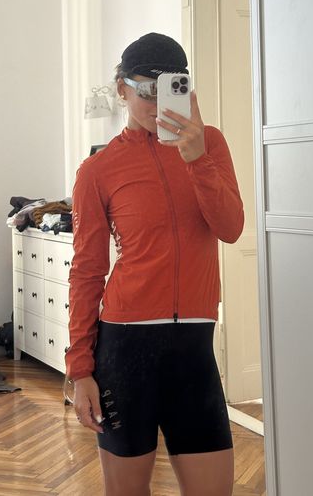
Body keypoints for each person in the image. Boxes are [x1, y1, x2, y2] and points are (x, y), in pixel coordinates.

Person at [66, 32, 244, 496]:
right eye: (145, 90)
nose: (155, 103)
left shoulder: (209, 145)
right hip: (125, 350)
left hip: (193, 351)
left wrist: (196, 159)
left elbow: (230, 228)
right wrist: (80, 369)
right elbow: (87, 272)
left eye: (169, 89)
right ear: (121, 89)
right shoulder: (97, 171)